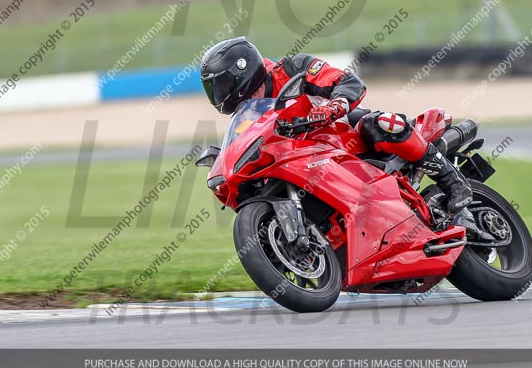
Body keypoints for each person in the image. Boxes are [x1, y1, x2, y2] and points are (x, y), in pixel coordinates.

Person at [199, 37, 493, 241]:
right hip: (301, 160)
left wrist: (335, 104)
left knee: (380, 124)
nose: (220, 94)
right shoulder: (246, 115)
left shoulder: (292, 69)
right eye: (214, 89)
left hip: (342, 133)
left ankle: (452, 181)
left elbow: (347, 81)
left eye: (223, 84)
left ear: (243, 70)